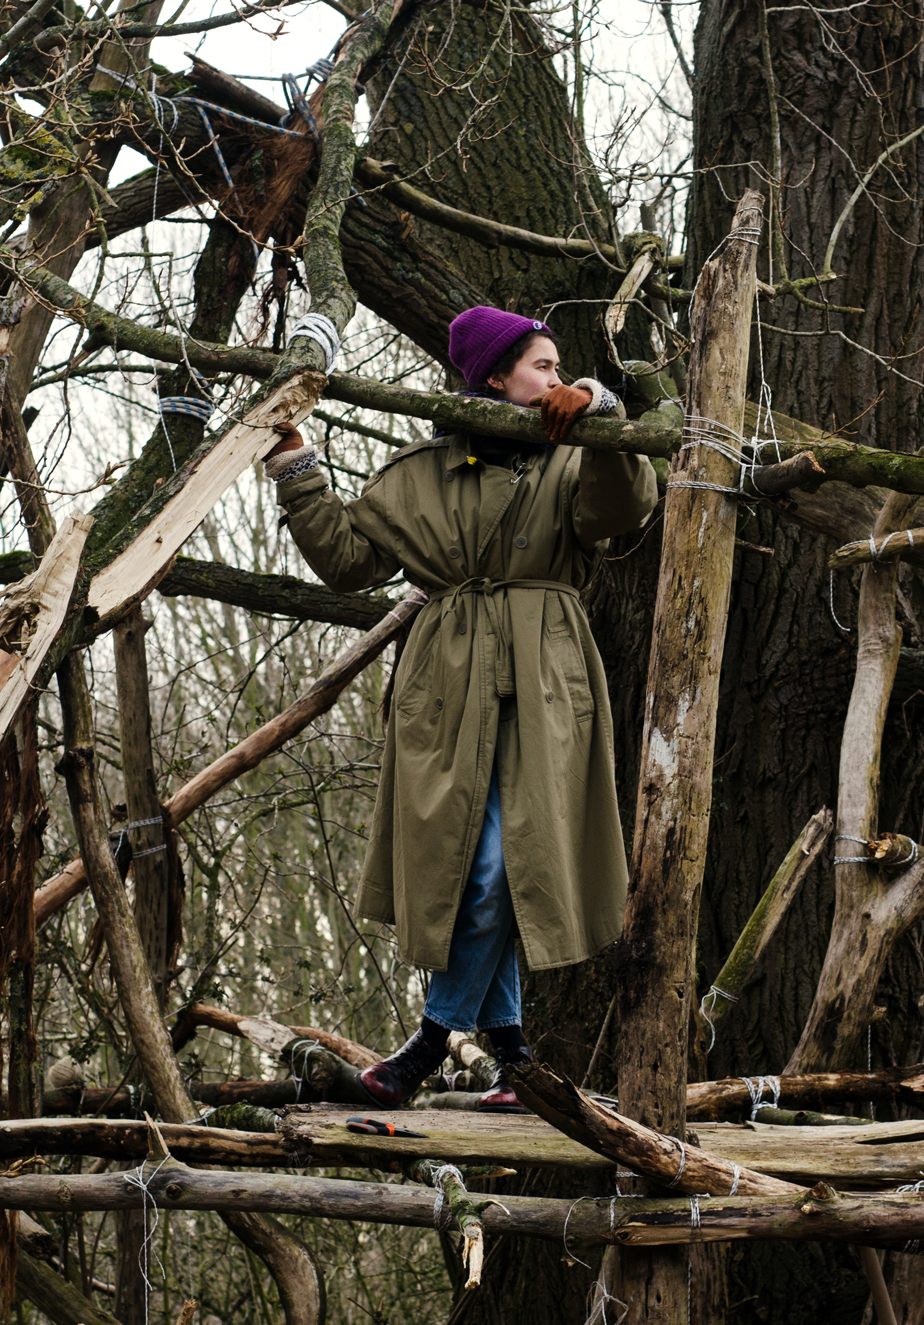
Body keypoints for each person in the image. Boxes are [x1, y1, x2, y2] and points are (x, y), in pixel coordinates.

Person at [262, 306, 657, 1110]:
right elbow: (345, 559)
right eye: (542, 365)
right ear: (492, 377)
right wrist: (298, 465)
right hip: (448, 684)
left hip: (547, 678)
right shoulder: (421, 472)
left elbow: (622, 511)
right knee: (479, 866)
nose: (555, 377)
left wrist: (603, 413)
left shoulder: (571, 458)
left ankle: (427, 1046)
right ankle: (512, 1056)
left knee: (510, 863)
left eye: (557, 366)